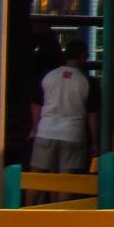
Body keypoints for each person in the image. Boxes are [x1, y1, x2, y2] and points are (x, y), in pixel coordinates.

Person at [30, 39, 94, 178]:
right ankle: (61, 201)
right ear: (82, 56)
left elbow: (35, 105)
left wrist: (36, 128)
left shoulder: (49, 76)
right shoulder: (86, 81)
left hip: (46, 131)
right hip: (72, 134)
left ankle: (31, 201)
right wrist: (95, 141)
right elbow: (92, 115)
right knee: (66, 178)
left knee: (36, 177)